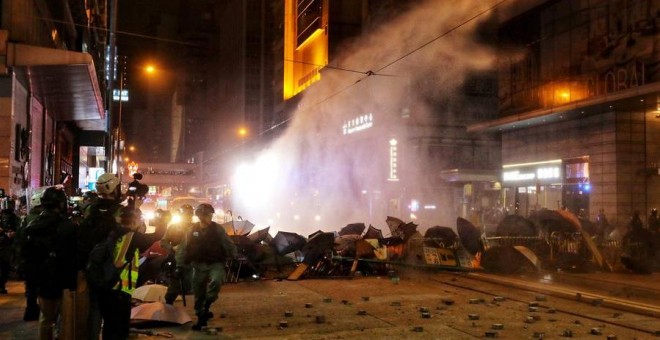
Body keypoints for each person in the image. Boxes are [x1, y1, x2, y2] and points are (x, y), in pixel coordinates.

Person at [21, 187, 77, 340]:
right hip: (63, 280)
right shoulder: (67, 226)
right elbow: (73, 256)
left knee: (46, 319)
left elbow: (25, 254)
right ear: (60, 204)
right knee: (65, 320)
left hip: (42, 280)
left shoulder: (33, 225)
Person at [176, 203, 237, 330]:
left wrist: (234, 256)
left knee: (216, 281)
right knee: (198, 292)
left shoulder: (218, 229)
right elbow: (182, 248)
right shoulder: (192, 230)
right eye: (208, 215)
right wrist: (180, 265)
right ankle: (201, 316)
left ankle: (207, 304)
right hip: (198, 265)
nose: (210, 217)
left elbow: (228, 243)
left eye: (210, 214)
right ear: (200, 216)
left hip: (216, 263)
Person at [161, 204, 194, 305]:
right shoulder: (174, 227)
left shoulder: (196, 228)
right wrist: (172, 248)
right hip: (176, 259)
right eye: (186, 214)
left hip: (192, 260)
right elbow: (163, 242)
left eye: (190, 214)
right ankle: (168, 304)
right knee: (175, 285)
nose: (188, 216)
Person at [0, 206, 20, 294]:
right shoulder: (15, 217)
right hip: (7, 245)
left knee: (3, 266)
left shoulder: (12, 217)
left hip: (5, 245)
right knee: (4, 266)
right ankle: (1, 286)